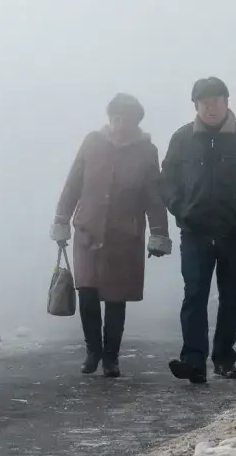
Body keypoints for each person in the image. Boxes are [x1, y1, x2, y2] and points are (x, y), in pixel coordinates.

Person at [159, 77, 236, 383]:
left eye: (215, 100)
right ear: (195, 106)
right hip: (195, 231)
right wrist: (178, 206)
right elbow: (166, 180)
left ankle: (224, 358)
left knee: (230, 298)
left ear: (227, 102)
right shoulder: (182, 139)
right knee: (195, 295)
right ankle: (194, 360)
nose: (209, 106)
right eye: (203, 102)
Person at [51, 93, 173, 378]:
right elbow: (73, 184)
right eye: (115, 117)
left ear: (136, 121)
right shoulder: (92, 143)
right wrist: (61, 220)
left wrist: (158, 232)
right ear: (109, 118)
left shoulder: (146, 151)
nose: (119, 124)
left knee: (117, 297)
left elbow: (153, 197)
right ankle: (93, 350)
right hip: (88, 229)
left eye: (126, 118)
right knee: (87, 291)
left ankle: (111, 357)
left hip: (124, 233)